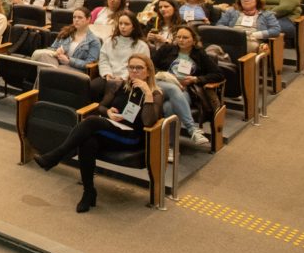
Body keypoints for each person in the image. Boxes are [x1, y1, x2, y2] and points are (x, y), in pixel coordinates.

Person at [33, 54, 163, 213]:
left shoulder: (156, 95)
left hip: (132, 138)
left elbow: (149, 121)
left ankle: (56, 155)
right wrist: (108, 112)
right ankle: (89, 192)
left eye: (139, 68)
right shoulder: (121, 86)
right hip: (113, 129)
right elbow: (100, 107)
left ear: (148, 72)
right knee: (88, 141)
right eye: (131, 67)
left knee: (92, 121)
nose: (134, 71)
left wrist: (147, 93)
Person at [152, 26, 219, 148]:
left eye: (185, 37)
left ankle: (170, 148)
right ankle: (192, 129)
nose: (181, 40)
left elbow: (218, 74)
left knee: (169, 107)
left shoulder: (199, 54)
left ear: (193, 40)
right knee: (173, 88)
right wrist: (162, 74)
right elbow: (150, 66)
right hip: (161, 85)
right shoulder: (167, 49)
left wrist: (196, 79)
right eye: (178, 37)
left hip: (184, 89)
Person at [31, 8, 100, 71]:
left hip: (75, 68)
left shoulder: (94, 41)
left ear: (88, 19)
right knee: (44, 57)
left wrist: (69, 61)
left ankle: (47, 80)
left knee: (50, 70)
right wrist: (56, 51)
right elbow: (52, 49)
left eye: (80, 17)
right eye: (74, 17)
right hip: (57, 63)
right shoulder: (66, 32)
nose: (76, 20)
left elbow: (89, 64)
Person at [216, 0, 281, 52]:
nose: (246, 0)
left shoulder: (267, 14)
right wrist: (232, 32)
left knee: (246, 45)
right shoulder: (232, 11)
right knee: (214, 47)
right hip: (232, 38)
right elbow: (219, 25)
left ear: (256, 0)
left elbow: (276, 30)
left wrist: (254, 35)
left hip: (252, 40)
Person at [98, 11, 150, 81]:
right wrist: (107, 74)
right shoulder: (109, 41)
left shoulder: (142, 46)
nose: (122, 27)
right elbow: (103, 61)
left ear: (133, 27)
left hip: (130, 80)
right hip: (109, 77)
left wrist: (122, 77)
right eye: (120, 23)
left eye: (126, 24)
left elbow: (140, 68)